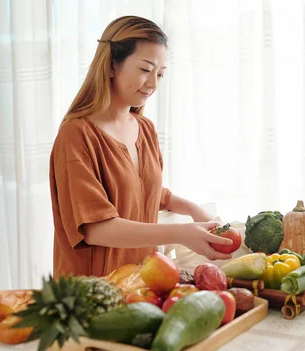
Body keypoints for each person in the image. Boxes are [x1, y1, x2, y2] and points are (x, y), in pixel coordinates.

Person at [49, 16, 232, 278]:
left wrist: (194, 209)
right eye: (145, 70)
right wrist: (181, 234)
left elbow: (143, 193)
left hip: (143, 284)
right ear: (112, 65)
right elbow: (94, 228)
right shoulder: (76, 134)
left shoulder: (144, 129)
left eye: (160, 74)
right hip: (93, 294)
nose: (153, 84)